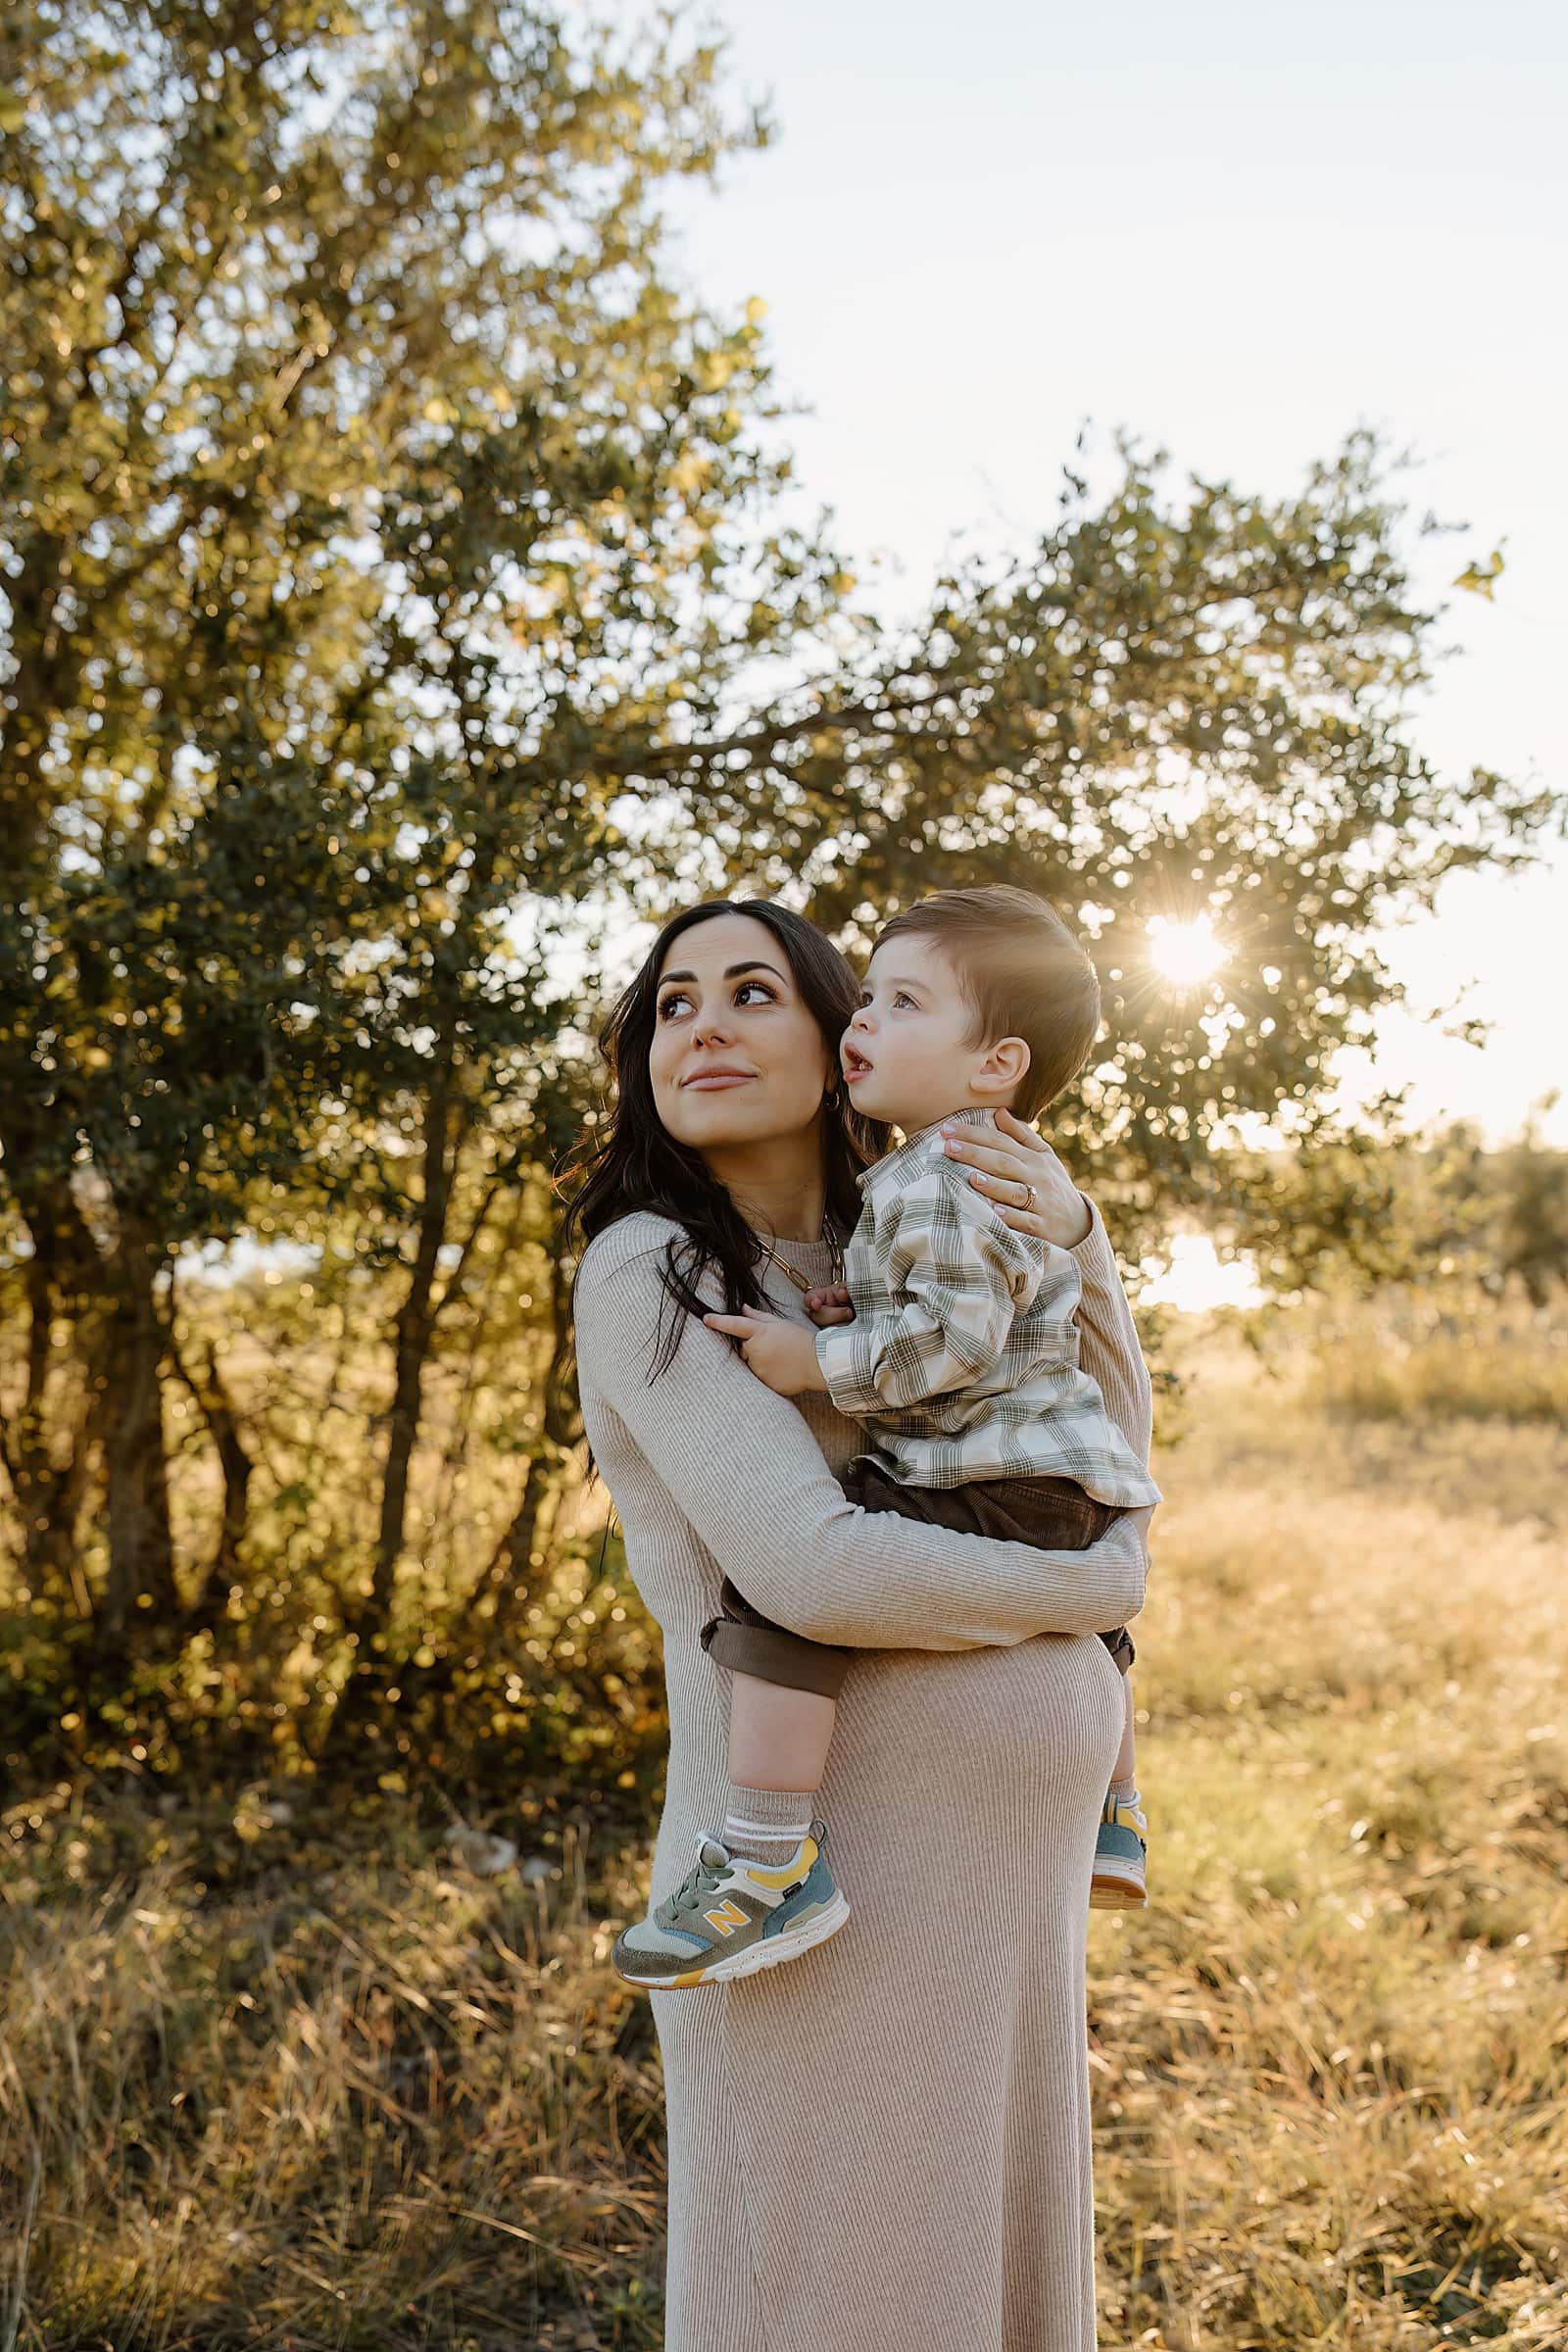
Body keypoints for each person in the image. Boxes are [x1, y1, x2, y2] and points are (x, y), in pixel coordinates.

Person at [566, 897, 1154, 2352]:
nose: (699, 1022)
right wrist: (1090, 1593)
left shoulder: (919, 1218)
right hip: (817, 1914)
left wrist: (1079, 1233)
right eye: (672, 1001)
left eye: (750, 989)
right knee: (837, 2297)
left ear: (840, 1034)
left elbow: (1103, 1445)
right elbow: (813, 1571)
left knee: (990, 2284)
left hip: (995, 1896)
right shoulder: (658, 1270)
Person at [648, 885, 1160, 1987]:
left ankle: (767, 1860)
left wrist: (818, 1360)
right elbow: (1008, 1315)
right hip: (1060, 1479)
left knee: (772, 1611)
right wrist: (869, 1313)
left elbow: (960, 1345)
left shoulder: (934, 1177)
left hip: (997, 1472)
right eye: (867, 998)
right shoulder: (979, 1173)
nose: (864, 1024)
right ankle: (1116, 1811)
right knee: (1080, 1605)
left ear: (995, 1064)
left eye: (902, 1002)